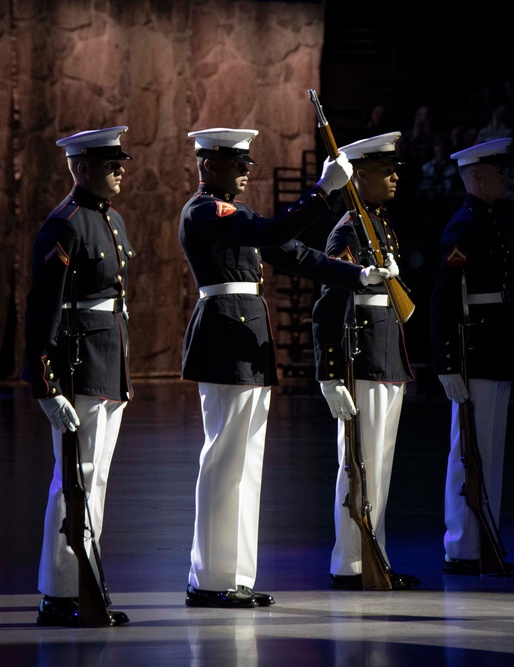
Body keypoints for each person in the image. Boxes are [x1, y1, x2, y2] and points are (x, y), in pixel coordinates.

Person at [179, 127, 396, 608]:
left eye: (245, 165)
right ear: (209, 164)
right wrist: (322, 191)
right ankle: (209, 577)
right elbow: (273, 234)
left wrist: (356, 275)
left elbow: (295, 255)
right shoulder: (206, 210)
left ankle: (233, 574)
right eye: (236, 165)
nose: (244, 173)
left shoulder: (238, 214)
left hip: (247, 340)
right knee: (224, 461)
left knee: (246, 464)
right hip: (223, 338)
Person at [23, 126, 135, 627]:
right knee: (74, 478)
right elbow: (42, 308)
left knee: (97, 479)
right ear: (81, 167)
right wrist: (45, 384)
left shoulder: (112, 222)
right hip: (78, 364)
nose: (120, 170)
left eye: (120, 163)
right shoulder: (65, 224)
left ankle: (83, 581)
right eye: (110, 164)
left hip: (107, 361)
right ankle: (60, 590)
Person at [310, 131, 420, 591]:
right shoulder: (350, 229)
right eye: (385, 171)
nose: (395, 177)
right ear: (361, 178)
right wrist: (331, 374)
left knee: (379, 465)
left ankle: (374, 555)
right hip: (364, 358)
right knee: (359, 463)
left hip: (385, 355)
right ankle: (351, 563)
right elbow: (329, 304)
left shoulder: (377, 224)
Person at [431, 137, 514, 575]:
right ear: (477, 177)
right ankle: (463, 545)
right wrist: (447, 363)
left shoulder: (489, 220)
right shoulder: (464, 225)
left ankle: (484, 536)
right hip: (476, 352)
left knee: (489, 451)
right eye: (498, 171)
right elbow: (446, 297)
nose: (506, 178)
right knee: (470, 449)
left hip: (495, 348)